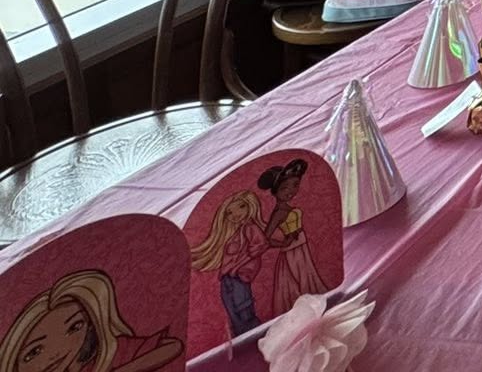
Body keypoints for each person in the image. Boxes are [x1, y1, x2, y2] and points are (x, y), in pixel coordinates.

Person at [0, 269, 183, 372]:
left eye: (74, 327)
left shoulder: (105, 354)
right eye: (34, 352)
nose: (56, 353)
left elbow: (172, 346)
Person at [188, 189, 270, 335]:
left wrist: (237, 267)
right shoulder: (237, 232)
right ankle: (242, 337)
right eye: (229, 213)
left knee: (243, 309)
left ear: (249, 206)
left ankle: (254, 335)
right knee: (232, 311)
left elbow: (259, 247)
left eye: (241, 207)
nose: (235, 215)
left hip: (239, 276)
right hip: (228, 277)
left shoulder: (250, 228)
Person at [258, 159, 332, 313]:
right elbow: (265, 238)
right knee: (297, 281)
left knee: (307, 277)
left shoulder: (288, 208)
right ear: (275, 191)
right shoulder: (279, 213)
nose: (291, 191)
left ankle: (315, 304)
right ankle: (305, 310)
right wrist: (283, 243)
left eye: (295, 185)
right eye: (284, 188)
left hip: (302, 247)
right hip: (292, 251)